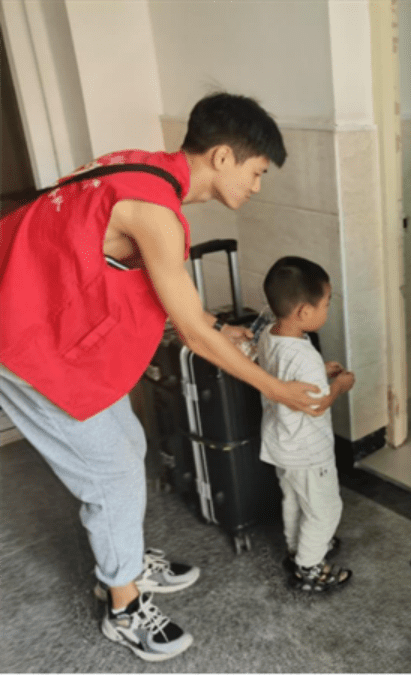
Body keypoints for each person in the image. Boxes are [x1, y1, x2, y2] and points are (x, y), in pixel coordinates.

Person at [0, 93, 335, 662]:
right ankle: (122, 604)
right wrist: (276, 388)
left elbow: (169, 296)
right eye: (257, 172)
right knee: (112, 479)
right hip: (24, 343)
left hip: (46, 326)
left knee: (129, 445)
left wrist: (212, 323)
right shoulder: (154, 211)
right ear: (223, 157)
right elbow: (194, 335)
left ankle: (125, 559)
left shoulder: (141, 168)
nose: (257, 187)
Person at [257, 256, 355, 592]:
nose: (327, 309)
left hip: (280, 443)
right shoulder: (306, 356)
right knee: (325, 509)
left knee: (294, 499)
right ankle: (309, 566)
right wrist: (340, 385)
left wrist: (319, 373)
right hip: (308, 450)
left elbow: (283, 373)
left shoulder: (269, 334)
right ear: (303, 312)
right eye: (326, 304)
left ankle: (297, 548)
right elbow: (316, 405)